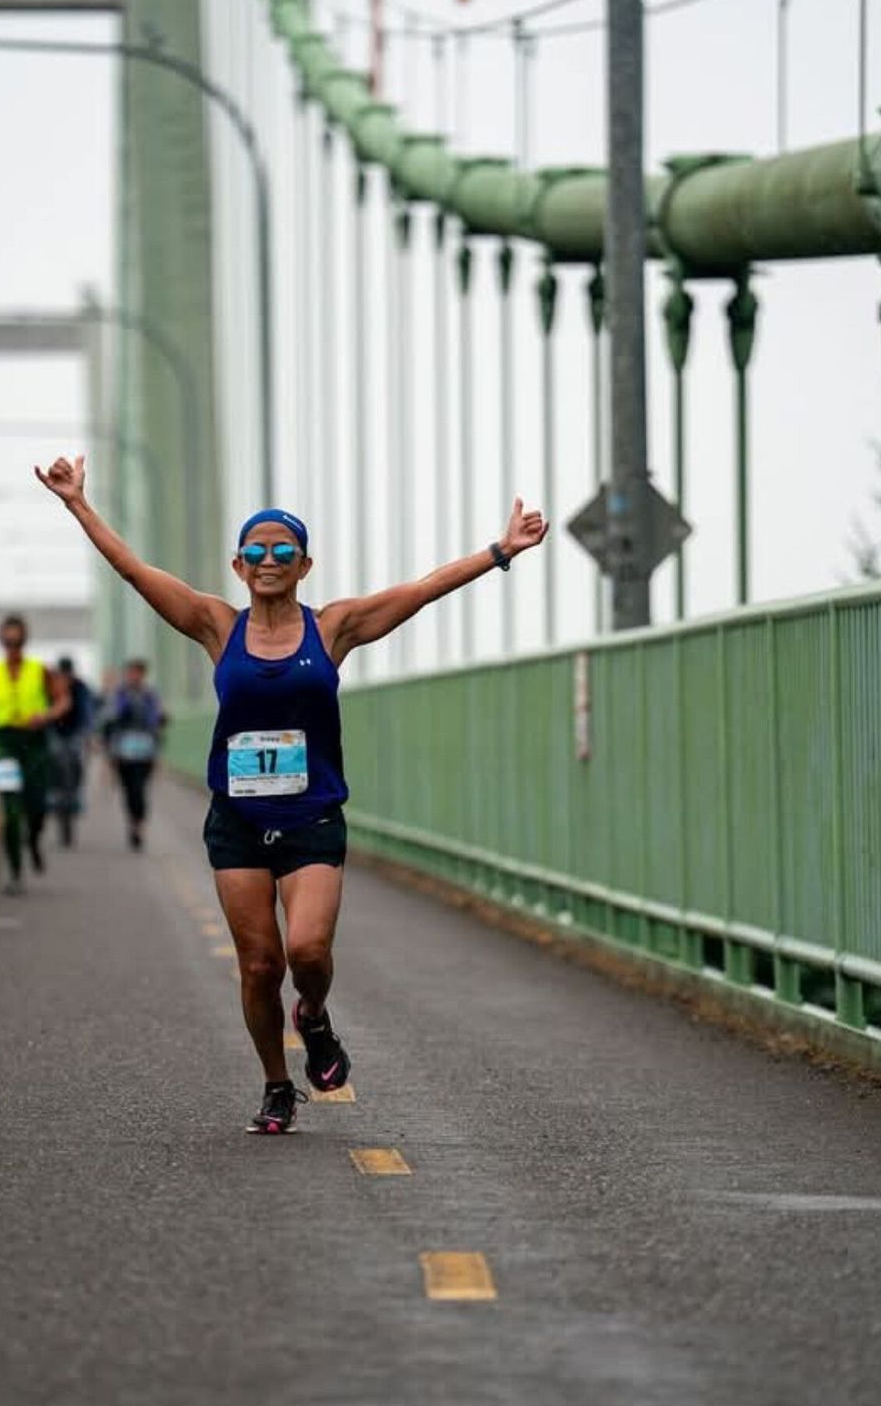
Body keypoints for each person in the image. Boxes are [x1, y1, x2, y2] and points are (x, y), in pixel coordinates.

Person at [35, 453, 547, 1134]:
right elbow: (134, 571)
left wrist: (500, 551)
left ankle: (314, 1016)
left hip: (311, 817)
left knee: (306, 952)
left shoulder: (331, 628)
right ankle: (278, 1085)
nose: (268, 558)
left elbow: (422, 590)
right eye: (255, 550)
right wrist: (77, 503)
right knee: (258, 964)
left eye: (283, 549)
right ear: (238, 566)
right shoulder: (218, 626)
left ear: (304, 565)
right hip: (238, 822)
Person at [0, 614, 69, 895]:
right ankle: (15, 873)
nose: (12, 646)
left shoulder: (40, 670)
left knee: (37, 807)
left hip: (35, 742)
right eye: (7, 641)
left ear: (24, 641)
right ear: (2, 642)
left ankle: (33, 840)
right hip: (5, 744)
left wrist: (46, 715)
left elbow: (63, 701)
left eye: (17, 641)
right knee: (10, 810)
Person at [100, 658, 166, 850]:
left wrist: (157, 750)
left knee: (139, 788)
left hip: (144, 750)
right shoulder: (119, 694)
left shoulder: (150, 695)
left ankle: (139, 824)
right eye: (131, 672)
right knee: (128, 789)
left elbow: (156, 722)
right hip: (123, 751)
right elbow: (110, 720)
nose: (134, 676)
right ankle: (133, 821)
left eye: (137, 673)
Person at [48, 655, 97, 847]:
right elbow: (43, 707)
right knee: (52, 761)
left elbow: (88, 713)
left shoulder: (81, 688)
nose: (65, 678)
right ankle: (53, 795)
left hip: (74, 733)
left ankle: (76, 795)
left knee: (77, 763)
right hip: (55, 733)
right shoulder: (50, 687)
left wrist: (89, 734)